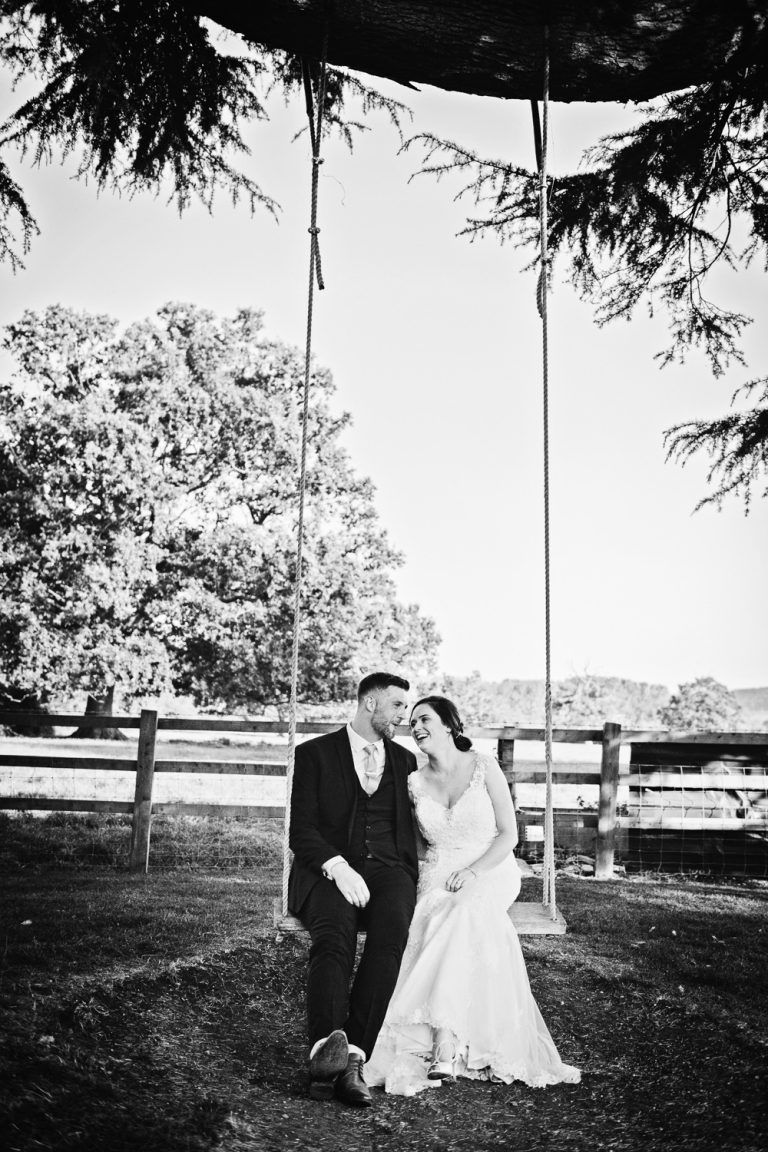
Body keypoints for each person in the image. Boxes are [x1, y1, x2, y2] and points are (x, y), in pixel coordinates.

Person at [366, 695, 581, 1096]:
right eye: (411, 723)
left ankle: (444, 1043)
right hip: (440, 870)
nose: (416, 727)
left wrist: (472, 871)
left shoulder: (484, 767)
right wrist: (419, 880)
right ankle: (446, 1041)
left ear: (449, 725)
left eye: (424, 719)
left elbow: (508, 835)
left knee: (463, 909)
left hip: (491, 866)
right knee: (437, 908)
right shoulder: (414, 781)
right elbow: (419, 847)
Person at [288, 671, 419, 1107]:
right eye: (398, 705)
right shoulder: (314, 754)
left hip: (388, 872)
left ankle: (355, 1057)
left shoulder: (405, 762)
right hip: (327, 870)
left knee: (390, 941)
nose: (405, 714)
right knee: (334, 938)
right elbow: (300, 831)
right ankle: (325, 1050)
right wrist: (338, 867)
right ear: (370, 704)